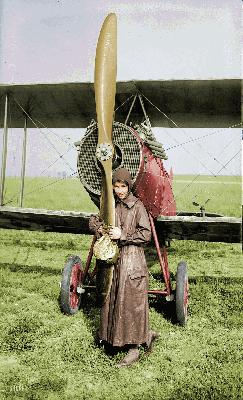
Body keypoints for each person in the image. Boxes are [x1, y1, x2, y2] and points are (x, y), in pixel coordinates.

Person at [89, 167, 159, 367]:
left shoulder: (137, 206)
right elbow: (96, 220)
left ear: (129, 186)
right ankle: (113, 339)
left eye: (123, 186)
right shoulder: (110, 205)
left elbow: (145, 235)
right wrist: (97, 226)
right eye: (116, 186)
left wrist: (123, 235)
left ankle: (135, 347)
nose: (119, 190)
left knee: (131, 303)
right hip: (113, 262)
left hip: (132, 261)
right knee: (112, 299)